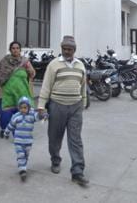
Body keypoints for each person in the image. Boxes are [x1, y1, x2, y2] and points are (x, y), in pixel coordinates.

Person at [37, 35, 89, 186]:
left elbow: (83, 86)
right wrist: (41, 106)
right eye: (64, 48)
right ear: (61, 49)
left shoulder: (80, 65)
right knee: (54, 138)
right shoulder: (54, 65)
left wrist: (83, 102)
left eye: (70, 49)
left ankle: (78, 171)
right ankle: (55, 160)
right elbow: (46, 86)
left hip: (75, 106)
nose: (67, 51)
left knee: (76, 140)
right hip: (57, 105)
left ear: (74, 50)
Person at [0, 41, 35, 138]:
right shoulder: (4, 61)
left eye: (17, 48)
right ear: (10, 50)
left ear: (20, 50)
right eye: (13, 48)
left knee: (20, 115)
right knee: (5, 117)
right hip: (7, 94)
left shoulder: (25, 61)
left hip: (21, 93)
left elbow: (32, 74)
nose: (15, 50)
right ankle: (4, 128)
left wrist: (29, 70)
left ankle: (17, 133)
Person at [4, 96, 47, 181]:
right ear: (18, 108)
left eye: (25, 107)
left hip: (28, 141)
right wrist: (6, 132)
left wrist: (42, 114)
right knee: (20, 155)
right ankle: (22, 170)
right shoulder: (16, 116)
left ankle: (22, 165)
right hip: (18, 141)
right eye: (21, 108)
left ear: (28, 107)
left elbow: (38, 117)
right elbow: (10, 125)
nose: (23, 109)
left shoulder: (31, 116)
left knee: (26, 155)